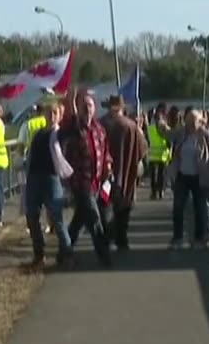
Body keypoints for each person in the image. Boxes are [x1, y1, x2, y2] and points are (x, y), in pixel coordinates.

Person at [58, 88, 113, 268]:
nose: (87, 109)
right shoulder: (74, 128)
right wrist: (71, 100)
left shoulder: (99, 129)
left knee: (79, 220)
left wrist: (108, 167)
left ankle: (64, 252)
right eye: (84, 106)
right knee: (94, 218)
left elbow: (105, 152)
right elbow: (68, 120)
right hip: (81, 183)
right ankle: (104, 255)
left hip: (97, 182)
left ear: (94, 108)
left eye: (90, 106)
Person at [23, 101, 73, 266]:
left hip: (51, 179)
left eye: (55, 113)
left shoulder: (58, 133)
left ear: (59, 116)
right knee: (32, 217)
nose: (51, 116)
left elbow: (68, 131)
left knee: (57, 219)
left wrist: (70, 103)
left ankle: (67, 253)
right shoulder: (38, 133)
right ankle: (39, 254)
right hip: (34, 178)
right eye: (49, 113)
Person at [102, 95, 147, 250]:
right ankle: (121, 238)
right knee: (124, 207)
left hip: (105, 172)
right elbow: (142, 149)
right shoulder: (131, 126)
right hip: (127, 171)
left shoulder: (101, 124)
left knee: (106, 206)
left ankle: (106, 238)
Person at [168, 109, 209, 248]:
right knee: (178, 207)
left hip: (199, 176)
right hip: (182, 175)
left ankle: (199, 238)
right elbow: (168, 136)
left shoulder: (205, 135)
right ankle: (177, 238)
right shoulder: (181, 133)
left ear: (200, 122)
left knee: (199, 207)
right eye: (188, 121)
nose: (190, 124)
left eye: (193, 121)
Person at [146, 106, 172, 200]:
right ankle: (160, 191)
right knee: (161, 174)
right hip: (163, 154)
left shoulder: (150, 128)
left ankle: (154, 192)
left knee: (154, 175)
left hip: (153, 155)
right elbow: (170, 141)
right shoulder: (166, 128)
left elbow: (147, 140)